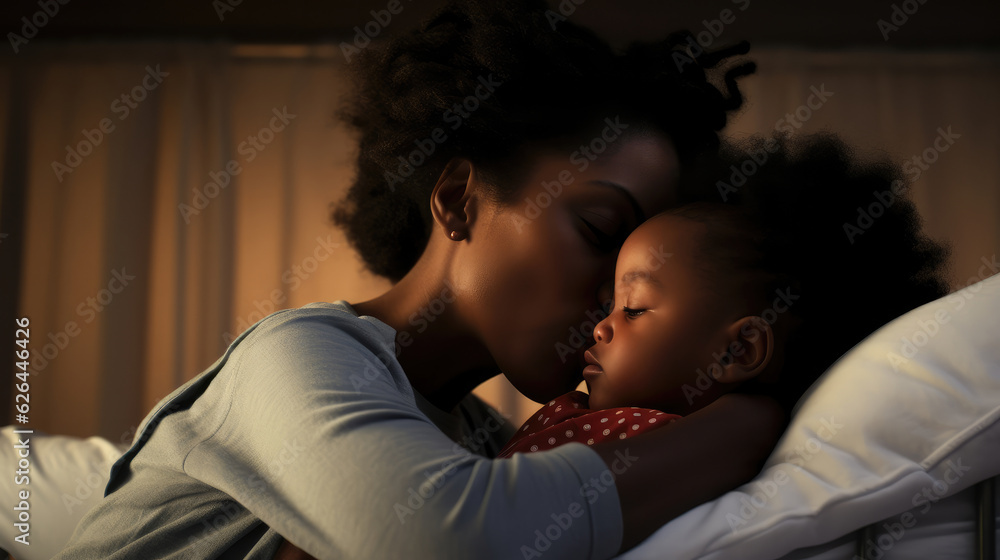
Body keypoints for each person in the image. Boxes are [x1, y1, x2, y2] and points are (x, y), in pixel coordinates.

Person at [56, 1, 786, 559]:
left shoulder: (494, 443)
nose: (613, 296)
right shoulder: (300, 355)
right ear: (458, 199)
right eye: (598, 232)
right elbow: (452, 539)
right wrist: (748, 422)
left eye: (637, 279)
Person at [498, 133, 951, 458]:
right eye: (612, 308)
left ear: (739, 349)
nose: (599, 326)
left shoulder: (671, 451)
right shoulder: (587, 414)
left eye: (633, 309)